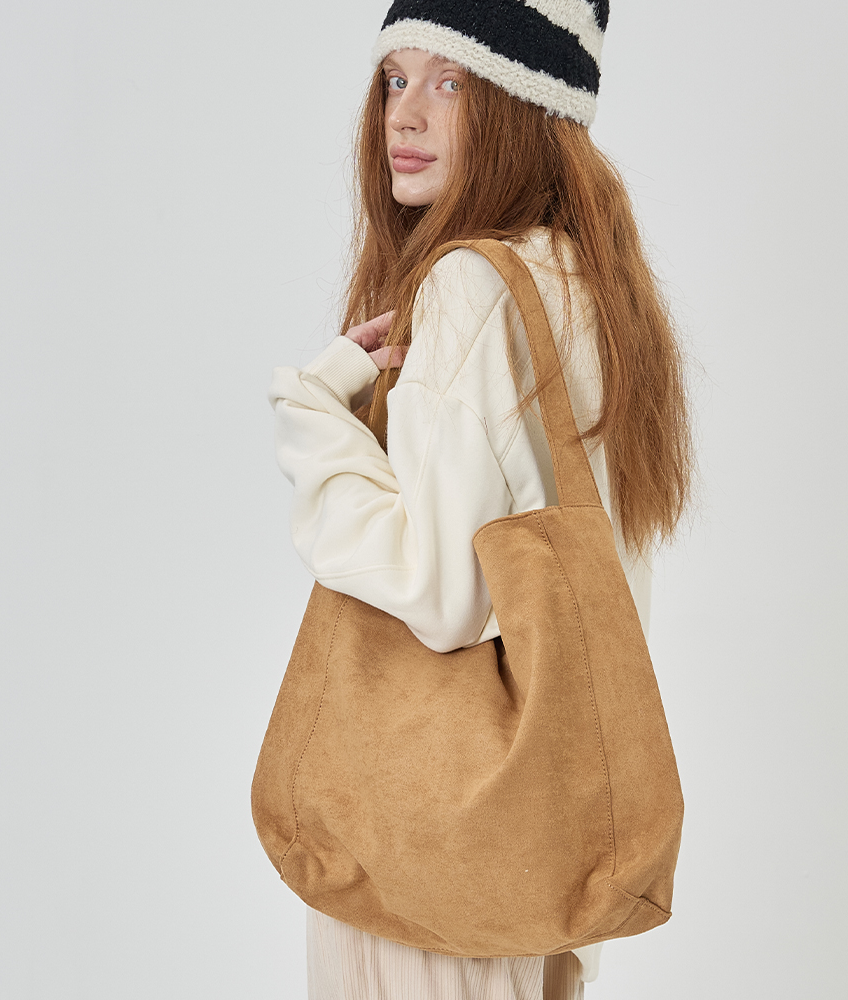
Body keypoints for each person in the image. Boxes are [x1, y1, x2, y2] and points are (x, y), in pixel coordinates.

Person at [268, 2, 691, 997]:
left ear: (522, 103)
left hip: (428, 863)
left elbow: (441, 595)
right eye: (394, 78)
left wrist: (314, 416)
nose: (404, 115)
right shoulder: (591, 282)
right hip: (533, 850)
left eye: (450, 81)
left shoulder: (466, 286)